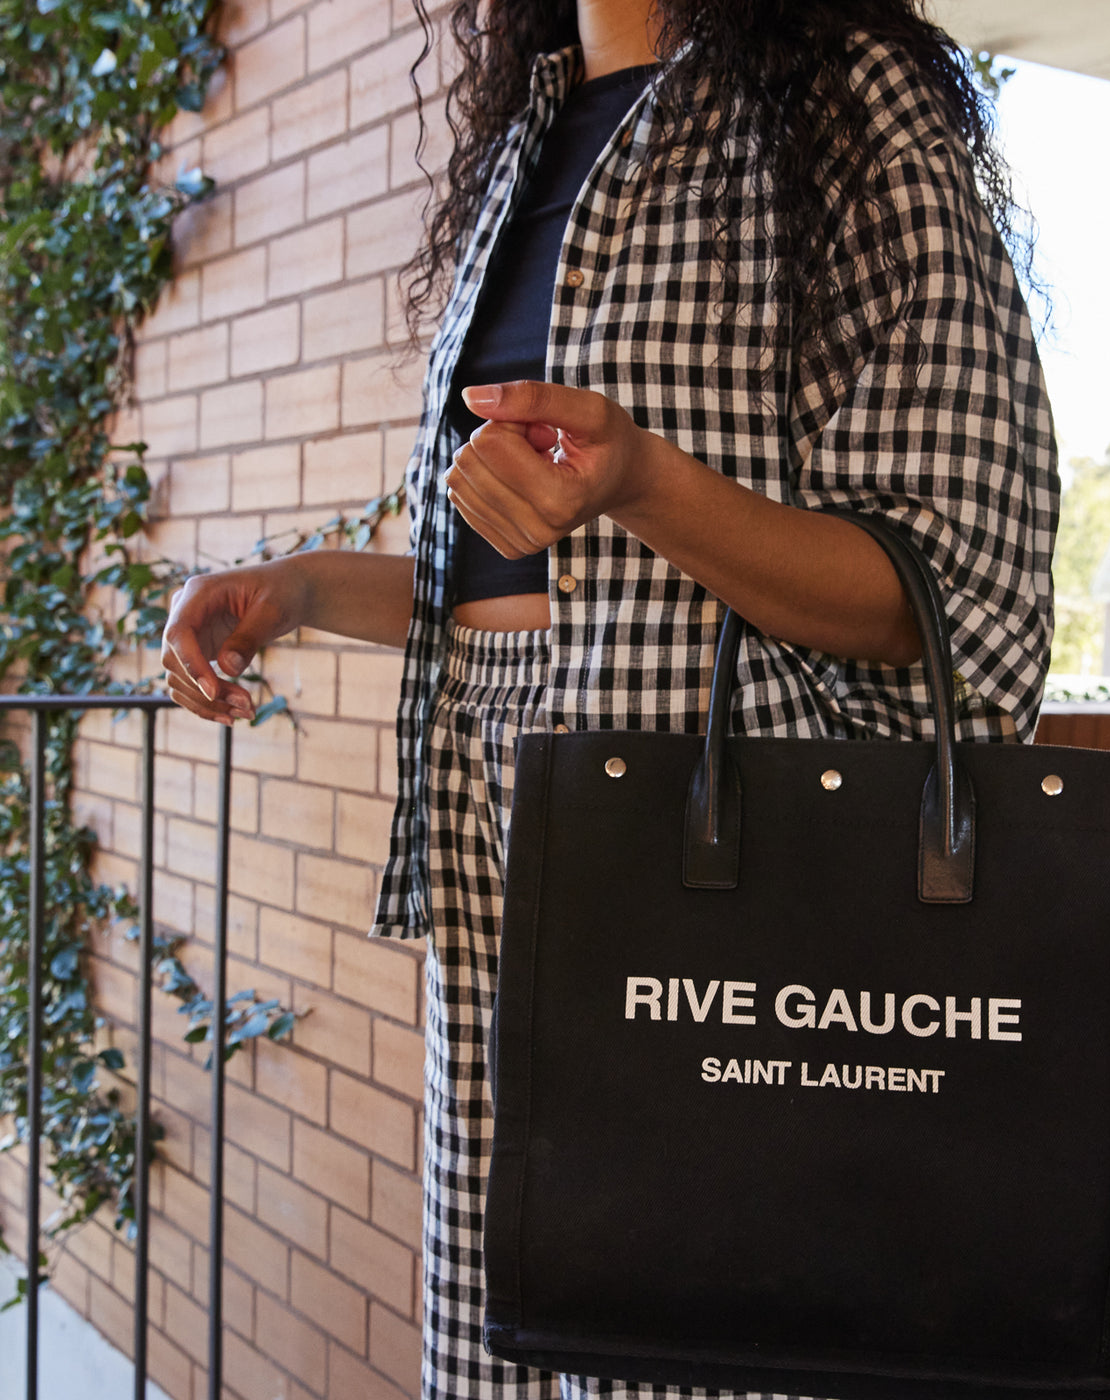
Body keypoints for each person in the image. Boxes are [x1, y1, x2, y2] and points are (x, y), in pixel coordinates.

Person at [161, 1, 1059, 1396]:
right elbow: (538, 606)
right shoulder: (531, 127)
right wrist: (304, 589)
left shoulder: (844, 98)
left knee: (697, 1349)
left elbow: (959, 591)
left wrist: (650, 485)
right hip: (506, 856)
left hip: (733, 893)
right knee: (520, 1338)